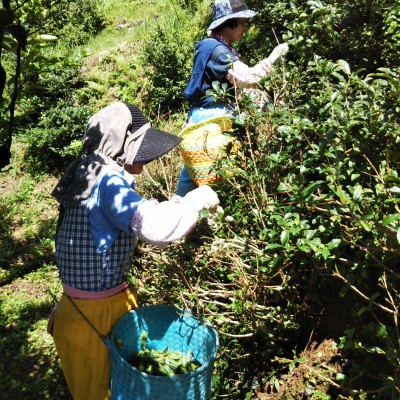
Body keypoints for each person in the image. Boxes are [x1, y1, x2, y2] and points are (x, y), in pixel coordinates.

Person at [48, 101, 219, 400]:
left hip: (72, 313)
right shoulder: (109, 181)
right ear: (121, 147)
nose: (146, 157)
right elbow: (154, 226)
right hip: (96, 318)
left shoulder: (82, 175)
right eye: (139, 146)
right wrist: (195, 200)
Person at [176, 0, 289, 196]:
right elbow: (247, 79)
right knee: (215, 171)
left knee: (194, 170)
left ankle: (178, 213)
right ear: (228, 23)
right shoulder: (218, 51)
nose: (245, 27)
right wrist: (272, 57)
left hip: (199, 116)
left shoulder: (212, 46)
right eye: (242, 22)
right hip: (211, 119)